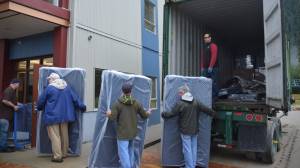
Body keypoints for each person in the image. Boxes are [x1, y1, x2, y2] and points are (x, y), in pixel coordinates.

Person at [161, 85, 215, 168]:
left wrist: (163, 114)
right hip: (195, 130)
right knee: (193, 149)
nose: (179, 94)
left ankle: (189, 166)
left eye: (180, 93)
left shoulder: (180, 103)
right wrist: (213, 113)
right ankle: (192, 165)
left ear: (183, 92)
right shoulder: (196, 101)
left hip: (185, 131)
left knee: (187, 150)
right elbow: (206, 109)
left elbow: (171, 114)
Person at [37, 73, 86, 163]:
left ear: (53, 79)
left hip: (52, 116)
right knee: (64, 135)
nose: (48, 81)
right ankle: (64, 153)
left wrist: (38, 107)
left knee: (55, 136)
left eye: (49, 79)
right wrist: (82, 107)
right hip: (66, 116)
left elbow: (41, 101)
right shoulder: (67, 87)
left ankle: (57, 156)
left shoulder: (49, 88)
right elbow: (75, 99)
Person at [106, 83, 152, 168]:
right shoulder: (136, 103)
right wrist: (148, 112)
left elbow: (112, 118)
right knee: (130, 152)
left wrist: (108, 114)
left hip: (122, 134)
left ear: (122, 91)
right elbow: (144, 116)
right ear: (131, 91)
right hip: (132, 133)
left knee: (123, 154)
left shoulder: (117, 104)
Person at [0, 79, 21, 152]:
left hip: (6, 116)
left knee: (4, 132)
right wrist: (14, 106)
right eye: (18, 84)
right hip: (4, 116)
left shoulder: (10, 91)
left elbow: (9, 100)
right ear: (15, 84)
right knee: (3, 132)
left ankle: (3, 146)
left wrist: (16, 103)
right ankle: (3, 148)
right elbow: (4, 101)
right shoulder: (9, 90)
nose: (18, 86)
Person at [201, 33, 219, 100]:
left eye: (207, 37)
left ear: (210, 38)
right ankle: (207, 96)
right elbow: (203, 58)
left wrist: (211, 66)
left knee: (213, 83)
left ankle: (214, 97)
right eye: (204, 38)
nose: (205, 39)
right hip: (206, 69)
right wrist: (202, 67)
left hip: (213, 68)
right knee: (205, 83)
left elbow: (214, 56)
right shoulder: (205, 47)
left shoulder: (213, 46)